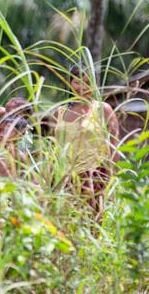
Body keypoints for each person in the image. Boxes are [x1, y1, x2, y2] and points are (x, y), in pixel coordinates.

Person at [52, 65, 119, 220]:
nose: (83, 87)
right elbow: (54, 147)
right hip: (64, 177)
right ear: (69, 83)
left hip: (93, 177)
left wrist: (107, 177)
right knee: (66, 225)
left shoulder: (103, 109)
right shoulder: (59, 112)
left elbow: (114, 146)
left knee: (92, 226)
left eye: (88, 82)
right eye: (77, 82)